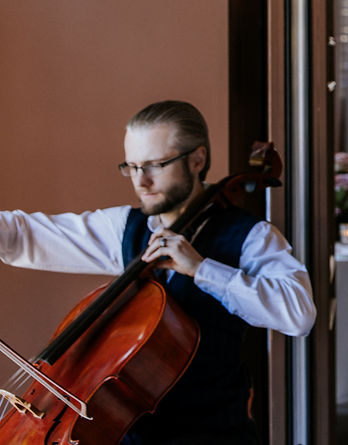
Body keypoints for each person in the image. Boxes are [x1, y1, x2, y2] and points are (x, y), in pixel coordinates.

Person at [0, 100, 316, 445]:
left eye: (154, 165)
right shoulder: (126, 228)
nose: (141, 181)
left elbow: (298, 315)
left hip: (214, 437)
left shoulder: (251, 237)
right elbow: (24, 236)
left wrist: (202, 268)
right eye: (131, 166)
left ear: (197, 160)